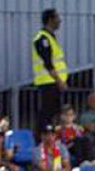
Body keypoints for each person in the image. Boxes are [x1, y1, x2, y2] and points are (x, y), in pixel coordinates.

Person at [32, 8, 68, 136]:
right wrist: (59, 81)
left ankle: (50, 136)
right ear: (50, 20)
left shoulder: (50, 37)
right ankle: (40, 138)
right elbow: (48, 63)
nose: (60, 21)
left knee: (53, 112)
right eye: (57, 18)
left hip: (53, 82)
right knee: (46, 113)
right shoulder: (43, 39)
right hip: (48, 82)